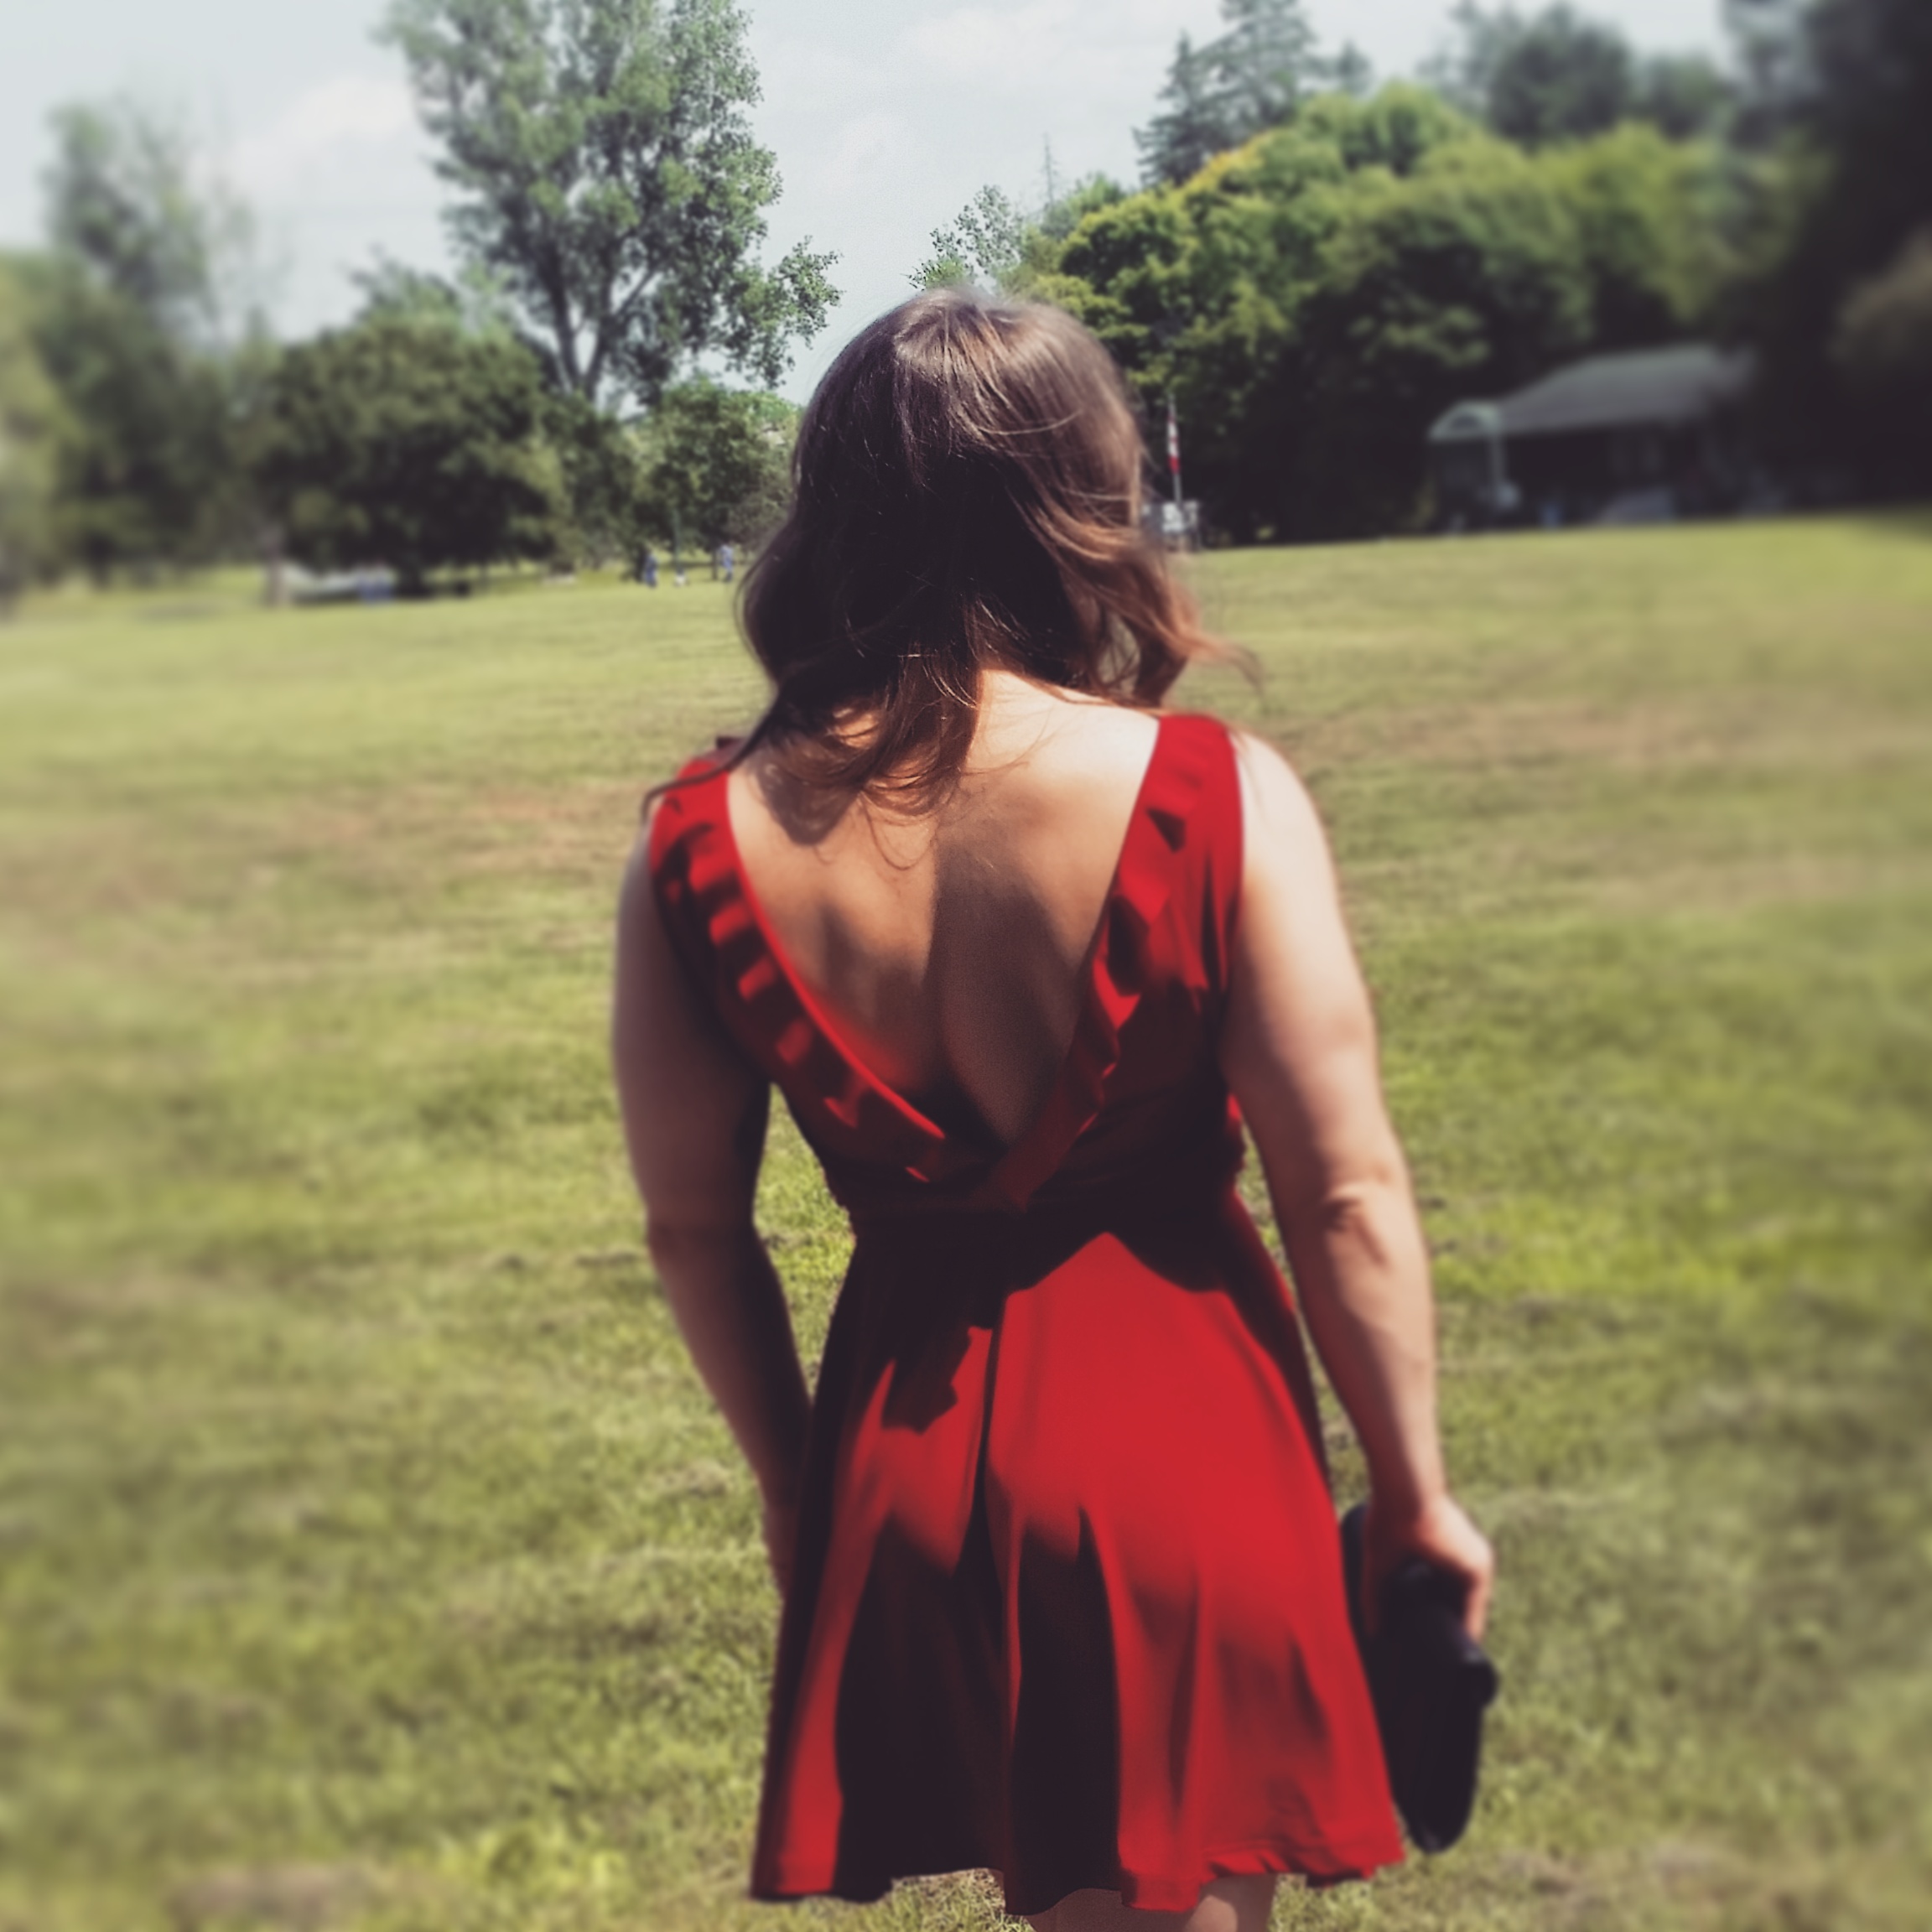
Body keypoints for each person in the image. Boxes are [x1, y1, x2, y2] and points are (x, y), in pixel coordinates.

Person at [611, 290, 1493, 1932]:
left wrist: (799, 1490)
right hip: (1185, 1440)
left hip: (900, 1457)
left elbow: (690, 1227)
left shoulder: (697, 837)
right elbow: (1348, 1193)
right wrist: (1416, 1491)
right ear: (1088, 504)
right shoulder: (1209, 789)